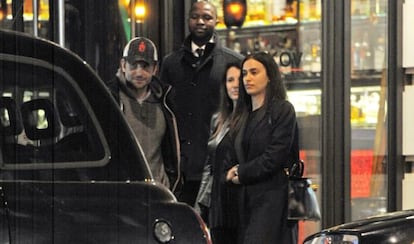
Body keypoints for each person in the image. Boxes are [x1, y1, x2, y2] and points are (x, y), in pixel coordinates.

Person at [160, 0, 244, 206]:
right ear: (188, 20)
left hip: (219, 163)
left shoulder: (232, 62)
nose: (200, 22)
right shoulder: (171, 63)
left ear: (216, 21)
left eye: (207, 17)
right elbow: (163, 110)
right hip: (181, 167)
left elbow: (242, 110)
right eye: (195, 17)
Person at [226, 52, 298, 244]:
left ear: (269, 76)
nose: (247, 78)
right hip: (244, 201)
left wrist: (242, 171)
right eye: (244, 73)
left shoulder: (282, 110)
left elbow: (274, 156)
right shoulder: (242, 115)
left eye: (254, 72)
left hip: (272, 199)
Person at [106, 37, 181, 193]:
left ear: (155, 69)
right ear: (123, 65)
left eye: (145, 66)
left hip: (159, 193)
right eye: (134, 65)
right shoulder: (109, 100)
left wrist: (171, 186)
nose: (139, 72)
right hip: (121, 194)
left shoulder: (166, 101)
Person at [195, 62, 241, 244]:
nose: (235, 84)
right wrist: (200, 204)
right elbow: (209, 165)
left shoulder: (252, 118)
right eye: (230, 80)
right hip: (216, 201)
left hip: (238, 201)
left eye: (239, 79)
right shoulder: (219, 119)